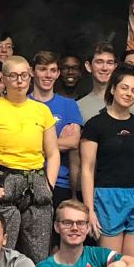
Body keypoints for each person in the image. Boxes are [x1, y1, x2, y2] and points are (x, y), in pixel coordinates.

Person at [0, 55, 60, 261]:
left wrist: (49, 185)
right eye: (13, 76)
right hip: (3, 179)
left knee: (38, 255)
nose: (19, 81)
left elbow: (53, 153)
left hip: (35, 181)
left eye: (23, 75)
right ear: (4, 79)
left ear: (30, 76)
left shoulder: (41, 110)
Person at [79, 67, 134, 258]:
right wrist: (89, 210)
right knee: (112, 266)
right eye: (124, 88)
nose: (129, 94)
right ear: (113, 89)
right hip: (107, 197)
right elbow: (86, 169)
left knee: (133, 266)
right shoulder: (95, 124)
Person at [30, 51, 83, 205]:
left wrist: (36, 145)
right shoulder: (23, 104)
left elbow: (73, 142)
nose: (48, 75)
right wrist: (59, 141)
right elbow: (18, 145)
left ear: (58, 73)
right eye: (42, 69)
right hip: (28, 179)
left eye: (53, 70)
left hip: (61, 183)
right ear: (32, 71)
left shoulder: (69, 104)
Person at [77, 43, 119, 118]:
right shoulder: (79, 106)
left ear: (115, 67)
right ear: (88, 66)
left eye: (110, 63)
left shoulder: (126, 99)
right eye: (99, 62)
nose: (105, 68)